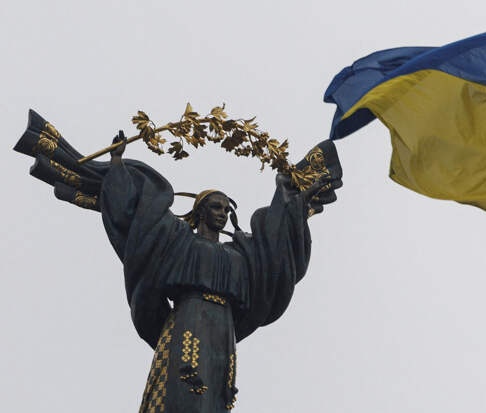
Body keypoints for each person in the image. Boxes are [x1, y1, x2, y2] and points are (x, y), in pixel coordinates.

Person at [15, 109, 343, 413]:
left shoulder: (242, 254)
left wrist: (294, 200)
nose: (222, 213)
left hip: (224, 329)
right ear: (200, 211)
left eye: (226, 209)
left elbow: (276, 250)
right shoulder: (178, 239)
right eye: (216, 207)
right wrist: (117, 164)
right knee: (184, 389)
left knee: (216, 396)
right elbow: (139, 217)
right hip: (189, 318)